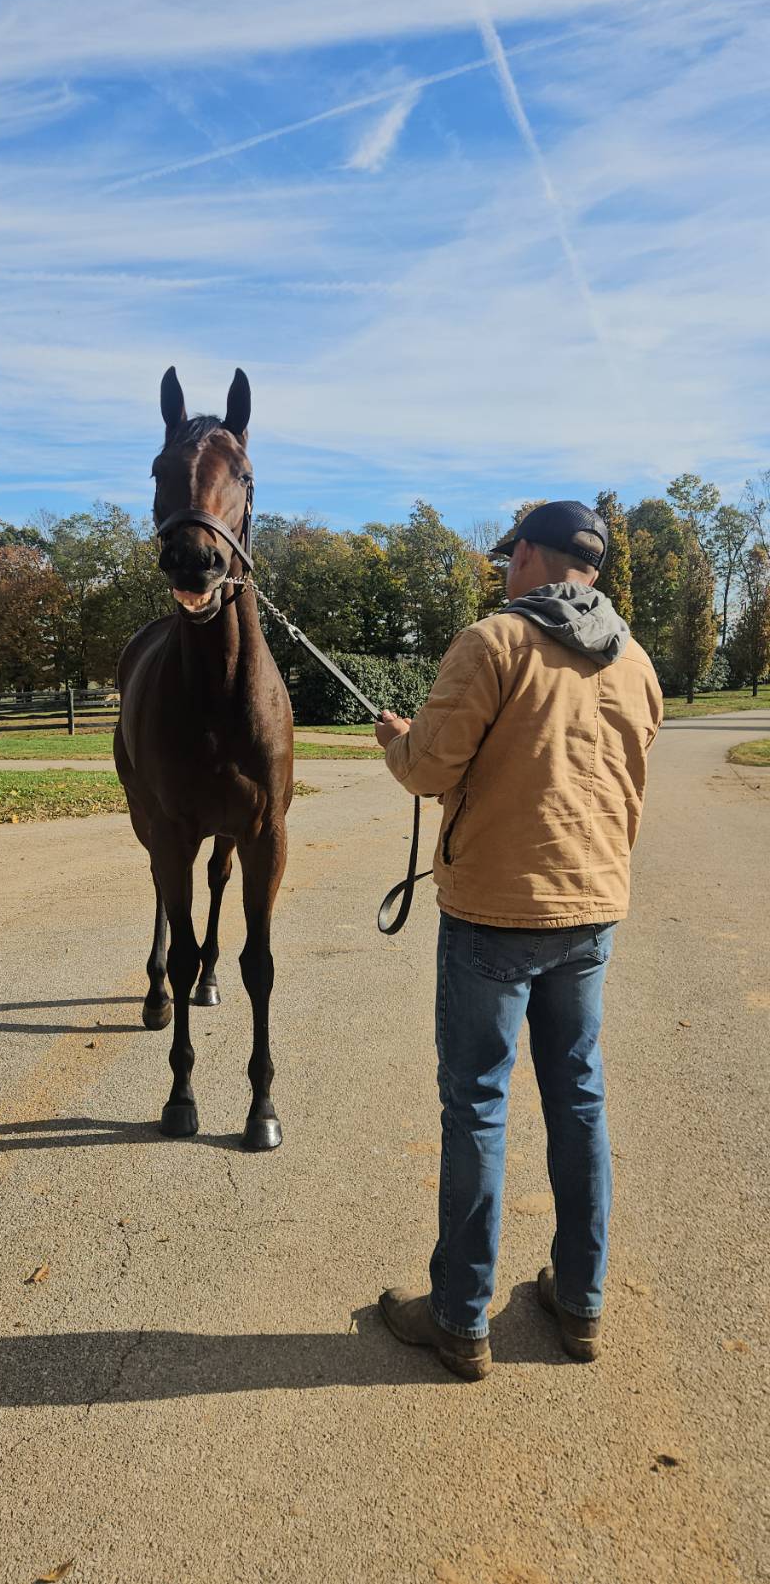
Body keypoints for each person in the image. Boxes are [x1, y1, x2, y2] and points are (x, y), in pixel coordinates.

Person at [374, 500, 662, 1380]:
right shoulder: (638, 661)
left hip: (494, 913)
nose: (504, 573)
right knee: (578, 1097)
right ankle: (580, 1302)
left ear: (533, 556)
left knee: (477, 1105)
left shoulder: (492, 643)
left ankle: (461, 1317)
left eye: (509, 558)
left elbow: (429, 768)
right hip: (591, 911)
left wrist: (396, 742)